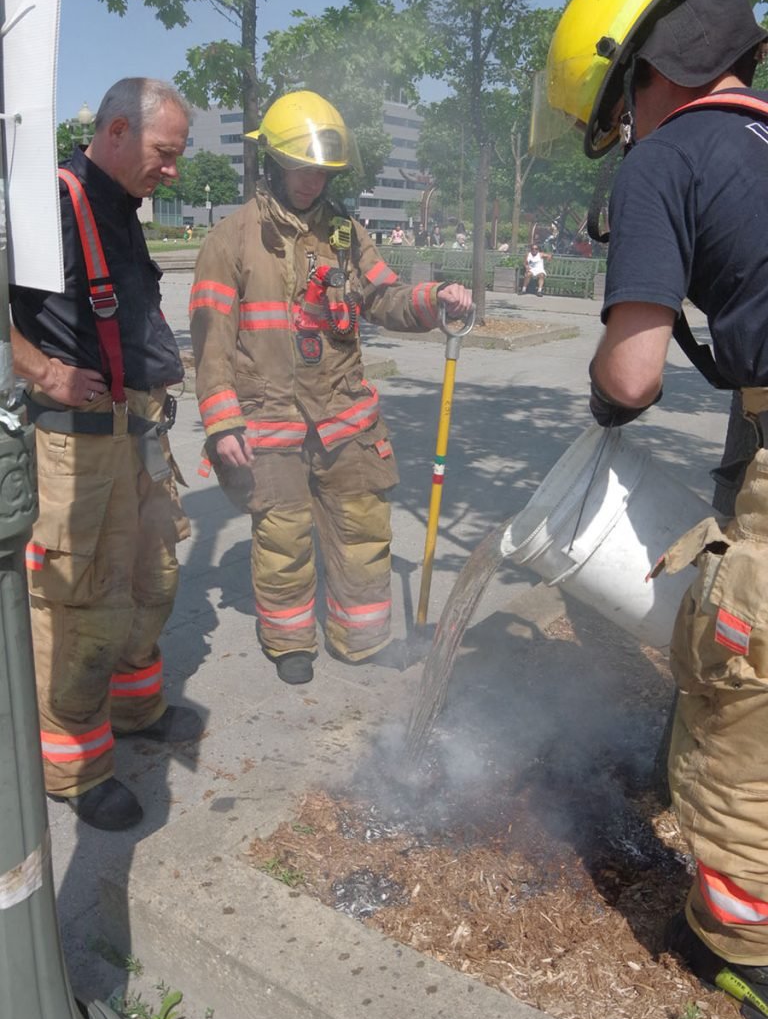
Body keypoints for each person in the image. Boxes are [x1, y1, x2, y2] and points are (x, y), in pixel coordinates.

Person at [542, 0, 768, 1019]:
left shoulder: (665, 159)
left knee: (739, 706)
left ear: (640, 76)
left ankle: (739, 946)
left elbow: (633, 376)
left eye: (616, 114)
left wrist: (602, 394)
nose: (622, 136)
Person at [189, 90, 471, 687]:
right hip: (269, 420)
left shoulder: (346, 234)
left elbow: (384, 296)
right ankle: (291, 639)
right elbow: (212, 339)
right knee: (285, 536)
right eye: (302, 169)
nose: (313, 182)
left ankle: (362, 639)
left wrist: (433, 300)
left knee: (364, 527)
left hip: (344, 414)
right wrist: (221, 422)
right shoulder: (231, 238)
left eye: (322, 172)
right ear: (273, 163)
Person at [10, 78, 201, 832]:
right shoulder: (52, 199)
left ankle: (135, 708)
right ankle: (75, 768)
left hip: (138, 435)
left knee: (152, 576)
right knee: (83, 605)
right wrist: (44, 369)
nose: (174, 171)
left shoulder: (118, 204)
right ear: (117, 131)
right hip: (75, 448)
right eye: (165, 153)